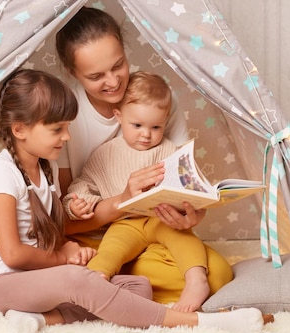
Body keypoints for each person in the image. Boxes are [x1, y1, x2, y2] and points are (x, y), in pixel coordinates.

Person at [0, 68, 269, 333]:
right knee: (79, 280)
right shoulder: (1, 174)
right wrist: (62, 257)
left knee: (137, 288)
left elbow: (57, 224)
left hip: (28, 281)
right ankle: (196, 323)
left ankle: (40, 319)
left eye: (67, 127)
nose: (66, 137)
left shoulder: (45, 167)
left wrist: (73, 237)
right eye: (57, 129)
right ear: (19, 130)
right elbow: (12, 255)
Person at [55, 6, 233, 304]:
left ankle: (110, 282)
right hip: (92, 237)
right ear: (73, 73)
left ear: (125, 52)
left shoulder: (158, 98)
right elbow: (62, 219)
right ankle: (111, 276)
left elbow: (185, 183)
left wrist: (190, 214)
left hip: (156, 232)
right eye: (96, 76)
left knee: (218, 274)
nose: (112, 82)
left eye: (118, 65)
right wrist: (120, 200)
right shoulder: (64, 112)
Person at [63, 71, 210, 312]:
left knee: (185, 240)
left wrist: (193, 204)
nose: (146, 134)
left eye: (156, 126)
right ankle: (95, 281)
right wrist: (76, 204)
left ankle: (196, 280)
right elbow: (82, 185)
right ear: (119, 116)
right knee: (111, 249)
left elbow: (188, 186)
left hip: (160, 219)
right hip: (124, 223)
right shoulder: (105, 153)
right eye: (138, 125)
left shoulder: (169, 150)